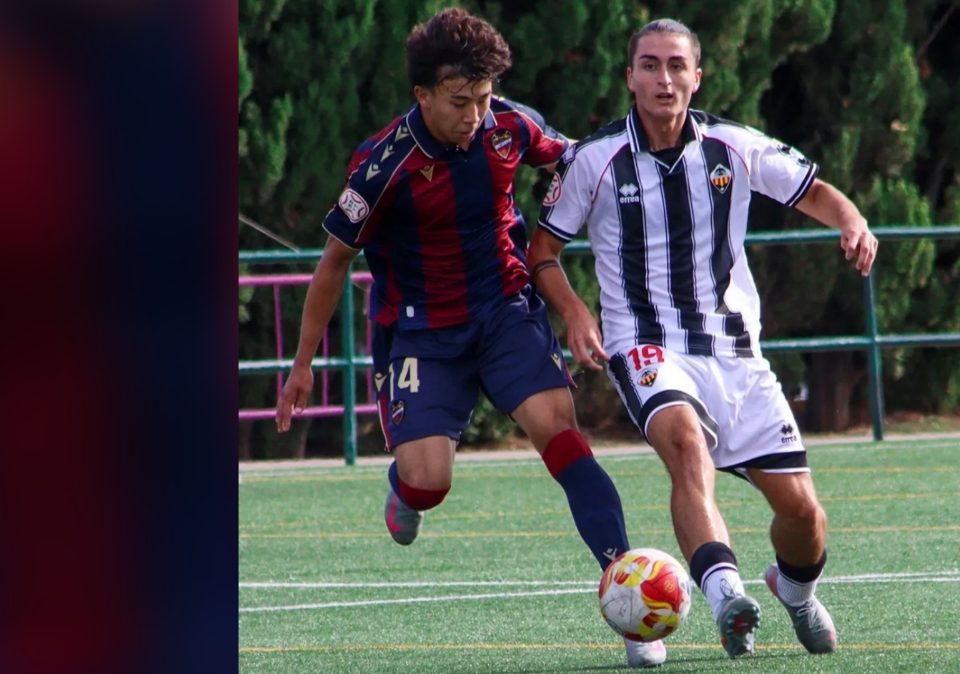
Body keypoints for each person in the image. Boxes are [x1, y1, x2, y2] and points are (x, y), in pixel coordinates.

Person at [274, 9, 667, 668]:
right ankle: (407, 491)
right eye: (460, 102)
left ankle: (629, 601)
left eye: (484, 98)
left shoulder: (510, 125)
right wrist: (302, 365)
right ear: (423, 95)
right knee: (429, 481)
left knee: (562, 434)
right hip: (421, 333)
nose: (476, 115)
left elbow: (580, 162)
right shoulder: (380, 165)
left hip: (505, 311)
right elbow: (334, 263)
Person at [528, 18, 879, 659]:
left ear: (697, 76)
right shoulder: (593, 161)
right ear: (630, 77)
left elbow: (815, 191)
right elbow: (542, 251)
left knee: (803, 514)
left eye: (675, 66)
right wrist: (575, 312)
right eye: (649, 65)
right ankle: (726, 600)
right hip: (646, 345)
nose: (663, 79)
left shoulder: (732, 146)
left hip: (736, 353)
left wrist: (852, 220)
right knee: (687, 448)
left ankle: (795, 592)